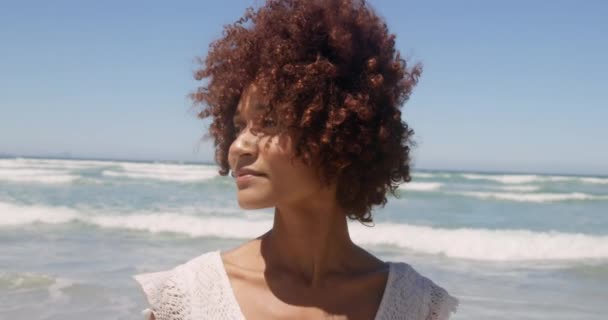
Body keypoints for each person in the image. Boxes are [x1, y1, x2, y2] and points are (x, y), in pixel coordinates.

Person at [133, 0, 458, 319]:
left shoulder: (415, 305)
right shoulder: (190, 299)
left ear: (337, 130)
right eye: (237, 127)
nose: (238, 147)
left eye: (269, 122)